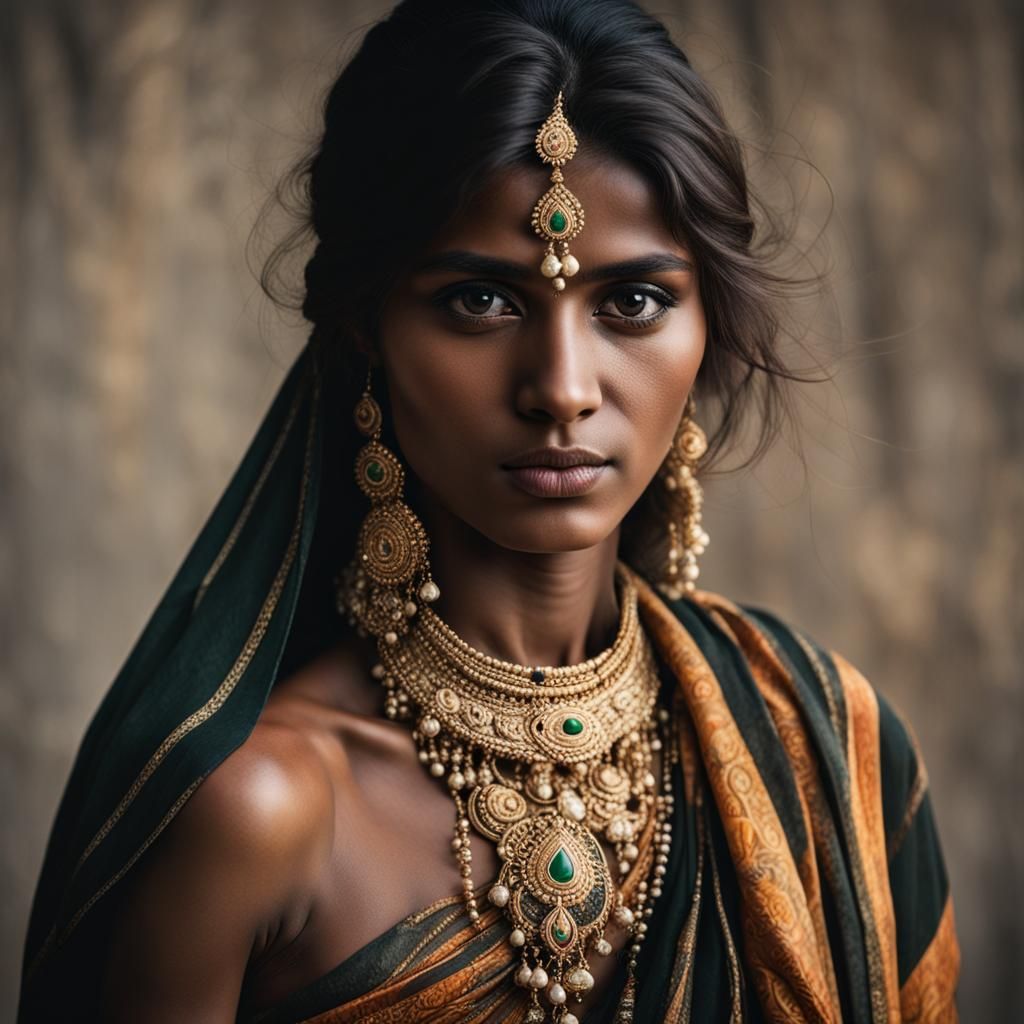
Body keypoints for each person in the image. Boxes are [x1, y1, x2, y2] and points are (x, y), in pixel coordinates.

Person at [17, 0, 961, 1021]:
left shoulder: (828, 751)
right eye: (481, 300)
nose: (562, 388)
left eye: (632, 302)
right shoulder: (258, 811)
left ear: (708, 326)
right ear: (365, 327)